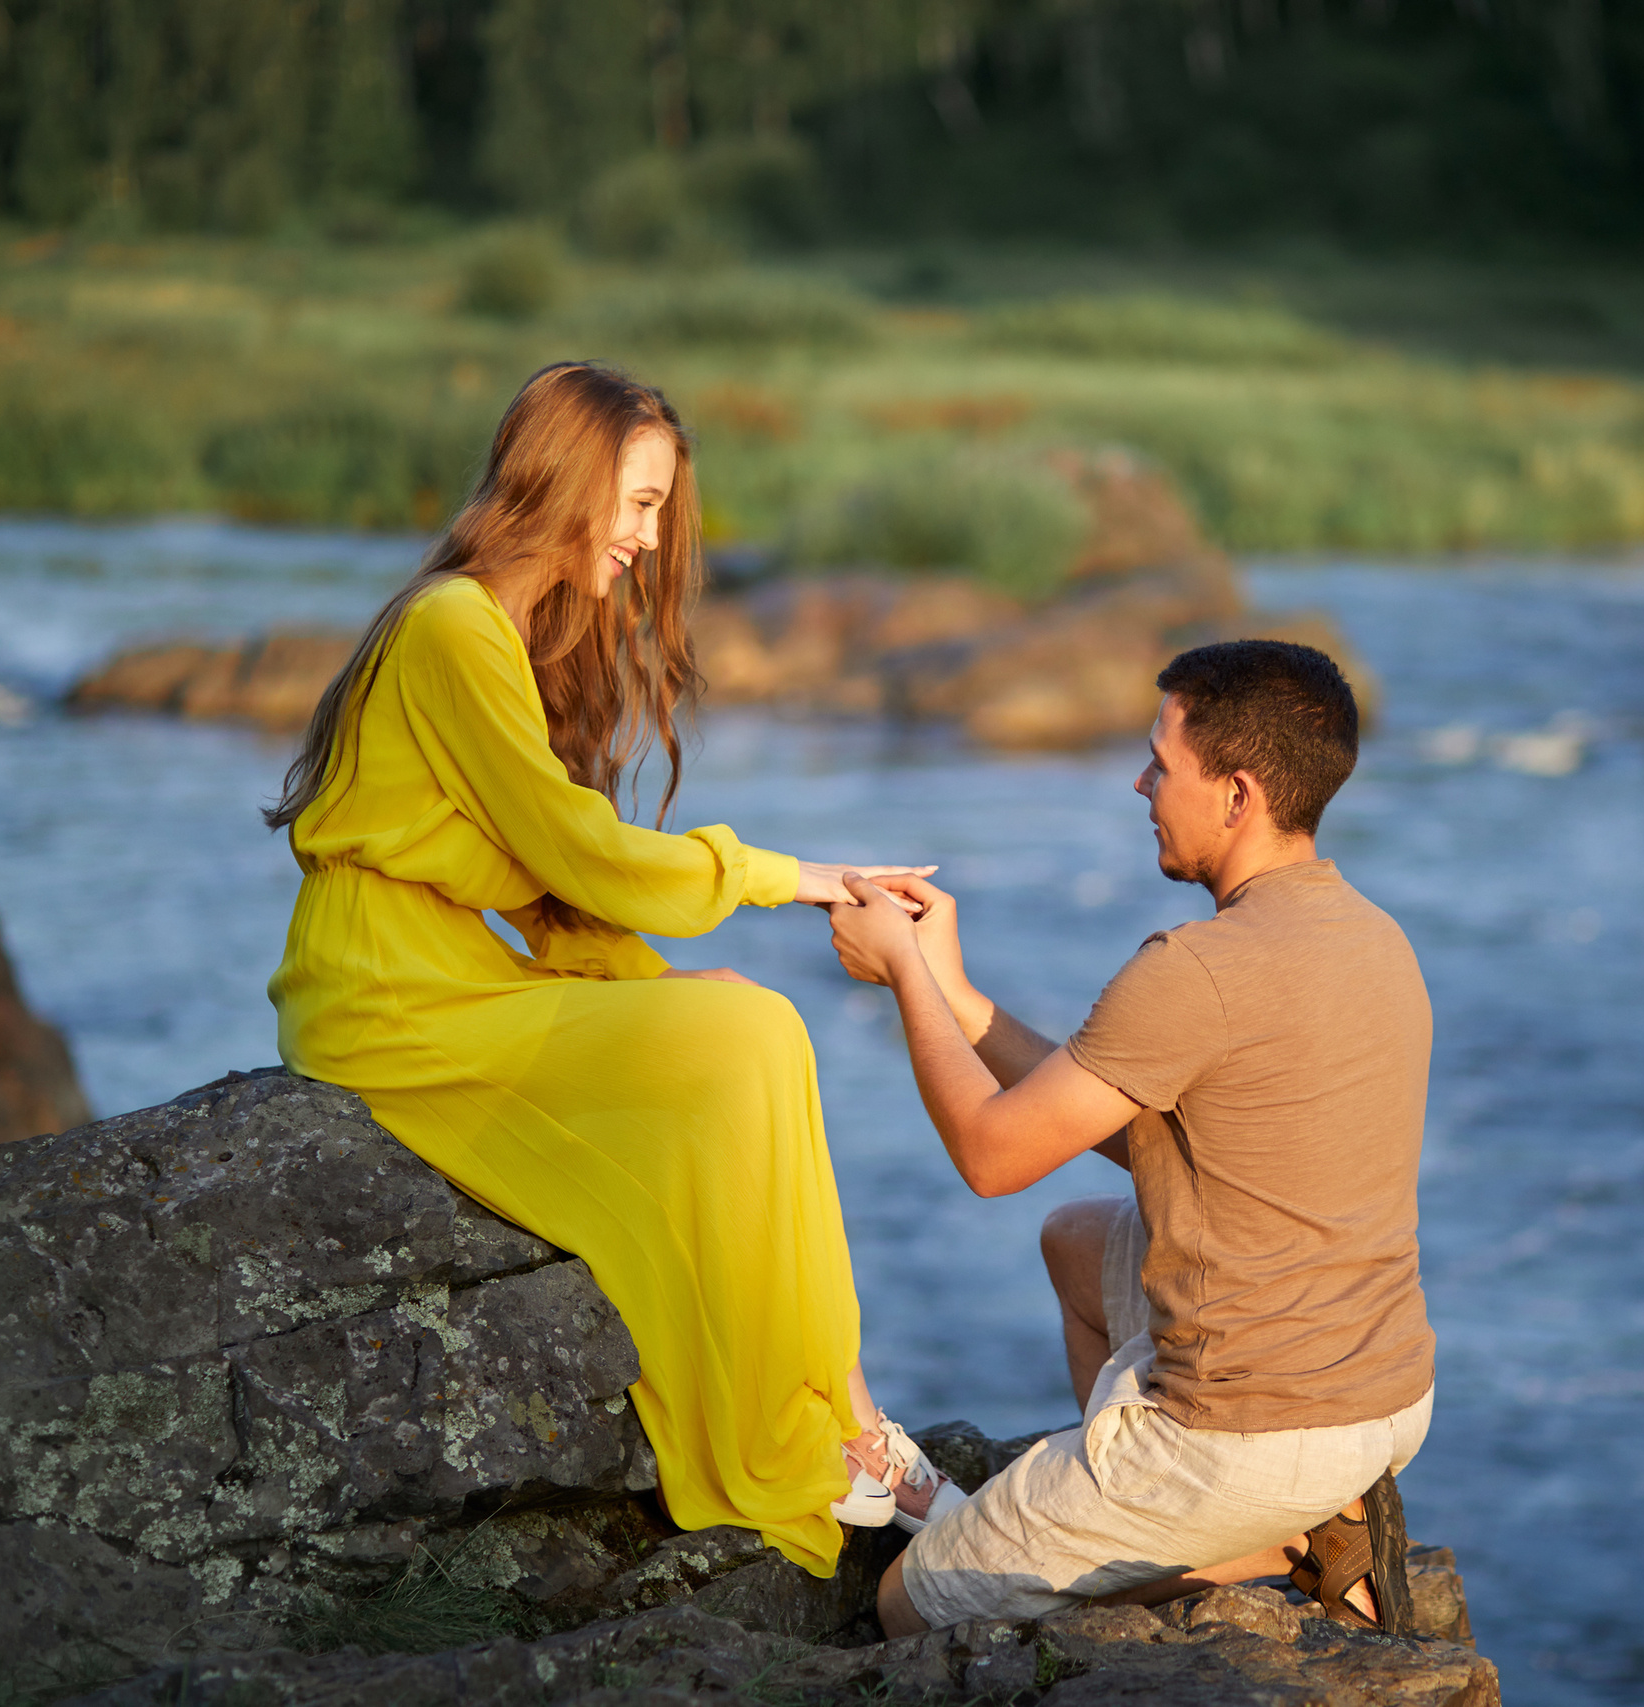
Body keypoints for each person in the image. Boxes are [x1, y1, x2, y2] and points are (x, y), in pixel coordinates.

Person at [264, 361, 960, 1578]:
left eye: (657, 509)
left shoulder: (495, 631)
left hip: (445, 975)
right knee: (748, 1038)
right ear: (564, 482)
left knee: (747, 1029)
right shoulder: (450, 628)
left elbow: (549, 895)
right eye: (637, 503)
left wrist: (657, 989)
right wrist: (786, 876)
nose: (646, 536)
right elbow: (580, 854)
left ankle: (841, 1411)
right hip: (386, 996)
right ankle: (814, 1433)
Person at [829, 638, 1437, 1635]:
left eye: (1162, 762)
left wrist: (902, 975)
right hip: (1384, 1401)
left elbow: (991, 1156)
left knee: (910, 1603)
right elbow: (1150, 1131)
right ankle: (1180, 1517)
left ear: (1236, 794)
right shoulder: (1374, 937)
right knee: (1075, 1241)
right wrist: (957, 995)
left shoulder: (1197, 970)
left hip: (1251, 1433)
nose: (1141, 784)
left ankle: (1249, 1544)